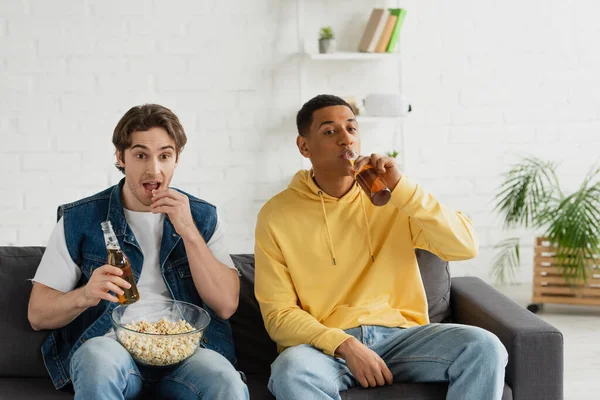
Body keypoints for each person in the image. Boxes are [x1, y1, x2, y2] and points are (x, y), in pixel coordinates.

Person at [254, 94, 508, 400]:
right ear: (304, 147)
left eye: (351, 128)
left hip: (403, 338)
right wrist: (344, 345)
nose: (345, 139)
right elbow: (278, 315)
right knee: (290, 371)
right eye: (329, 131)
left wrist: (403, 188)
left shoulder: (395, 199)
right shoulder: (276, 214)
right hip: (327, 349)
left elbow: (465, 246)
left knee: (484, 347)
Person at [28, 104, 249, 400]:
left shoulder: (202, 216)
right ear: (121, 157)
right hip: (111, 348)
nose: (153, 169)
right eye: (140, 155)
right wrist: (85, 295)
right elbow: (38, 315)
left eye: (165, 156)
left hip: (188, 352)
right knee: (95, 360)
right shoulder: (79, 219)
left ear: (176, 159)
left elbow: (224, 306)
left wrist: (189, 232)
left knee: (227, 381)